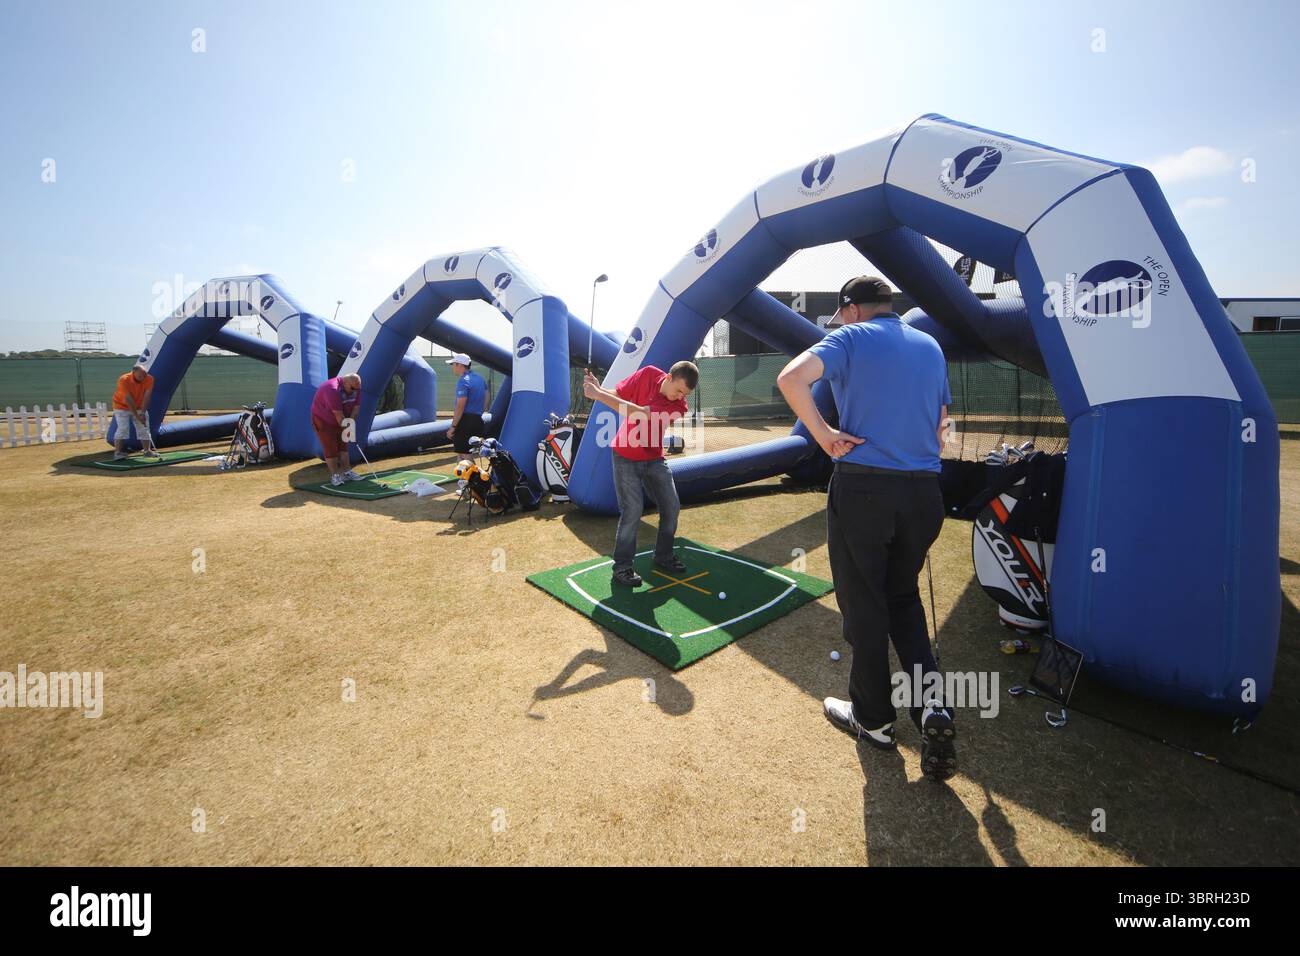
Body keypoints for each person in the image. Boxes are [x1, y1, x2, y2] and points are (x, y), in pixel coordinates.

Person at [777, 276, 957, 781]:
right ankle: (931, 709)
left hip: (864, 490)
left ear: (852, 310)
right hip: (924, 493)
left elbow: (791, 378)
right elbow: (943, 425)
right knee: (903, 600)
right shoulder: (930, 346)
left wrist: (825, 435)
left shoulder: (850, 338)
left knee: (865, 604)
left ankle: (875, 721)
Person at [583, 361, 698, 587]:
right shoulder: (647, 374)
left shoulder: (678, 407)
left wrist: (598, 395)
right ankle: (622, 567)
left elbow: (638, 413)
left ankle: (663, 556)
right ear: (668, 377)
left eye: (685, 394)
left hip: (654, 459)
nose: (680, 397)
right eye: (679, 391)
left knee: (671, 507)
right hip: (625, 455)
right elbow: (619, 393)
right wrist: (598, 389)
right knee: (632, 510)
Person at [311, 373, 364, 486]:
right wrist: (349, 431)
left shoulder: (356, 388)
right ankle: (335, 475)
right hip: (324, 421)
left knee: (343, 446)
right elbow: (339, 417)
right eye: (353, 388)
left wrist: (350, 427)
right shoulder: (332, 390)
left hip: (341, 418)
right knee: (331, 448)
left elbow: (355, 410)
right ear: (345, 383)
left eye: (357, 389)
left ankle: (347, 472)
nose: (355, 391)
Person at [111, 362, 159, 459]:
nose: (143, 377)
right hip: (121, 406)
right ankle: (118, 453)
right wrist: (137, 416)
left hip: (139, 407)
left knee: (144, 428)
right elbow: (128, 399)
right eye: (140, 376)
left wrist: (142, 412)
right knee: (123, 428)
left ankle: (147, 451)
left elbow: (147, 396)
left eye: (144, 375)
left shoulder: (149, 379)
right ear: (133, 372)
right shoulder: (124, 380)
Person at [446, 353, 487, 455]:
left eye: (453, 364)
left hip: (465, 422)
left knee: (465, 456)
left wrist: (453, 427)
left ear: (459, 365)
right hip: (477, 420)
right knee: (461, 454)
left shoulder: (463, 381)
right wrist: (480, 412)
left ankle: (476, 472)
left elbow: (460, 406)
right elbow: (487, 396)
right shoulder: (480, 378)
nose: (453, 367)